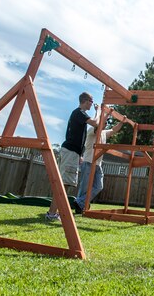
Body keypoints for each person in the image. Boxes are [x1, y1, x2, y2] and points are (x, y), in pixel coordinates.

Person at [46, 92, 98, 221]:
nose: (92, 104)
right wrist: (99, 111)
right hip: (70, 151)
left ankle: (53, 212)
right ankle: (52, 213)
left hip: (72, 152)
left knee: (64, 183)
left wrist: (79, 154)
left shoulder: (79, 114)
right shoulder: (79, 113)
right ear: (86, 101)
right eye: (91, 101)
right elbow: (96, 123)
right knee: (64, 184)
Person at [74, 108, 126, 214]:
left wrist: (122, 122)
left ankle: (79, 202)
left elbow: (113, 130)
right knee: (84, 187)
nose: (105, 124)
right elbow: (98, 126)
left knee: (99, 186)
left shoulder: (103, 133)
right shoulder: (91, 131)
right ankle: (80, 207)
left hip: (98, 164)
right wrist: (106, 114)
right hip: (88, 162)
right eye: (104, 122)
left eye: (106, 123)